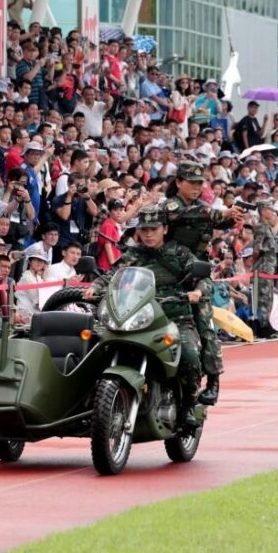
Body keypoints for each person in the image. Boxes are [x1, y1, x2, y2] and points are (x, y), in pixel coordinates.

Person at [84, 206, 204, 430]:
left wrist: (197, 291)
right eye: (144, 229)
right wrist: (95, 286)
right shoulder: (133, 254)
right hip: (139, 319)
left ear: (165, 229)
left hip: (174, 318)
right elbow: (113, 275)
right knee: (92, 347)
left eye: (154, 229)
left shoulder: (179, 253)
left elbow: (202, 277)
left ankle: (189, 405)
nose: (148, 234)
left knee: (189, 355)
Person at [161, 161, 244, 406]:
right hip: (168, 270)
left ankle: (214, 380)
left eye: (200, 183)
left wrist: (233, 216)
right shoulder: (172, 205)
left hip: (197, 272)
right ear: (178, 182)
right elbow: (187, 214)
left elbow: (216, 220)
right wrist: (222, 213)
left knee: (205, 324)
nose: (197, 188)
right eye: (192, 183)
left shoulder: (202, 207)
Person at [250, 199, 278, 339]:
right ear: (262, 211)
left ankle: (266, 324)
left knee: (268, 298)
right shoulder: (261, 227)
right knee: (263, 298)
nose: (272, 211)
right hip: (262, 267)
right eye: (269, 209)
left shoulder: (266, 226)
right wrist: (257, 263)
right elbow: (256, 249)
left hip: (268, 267)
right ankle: (261, 326)